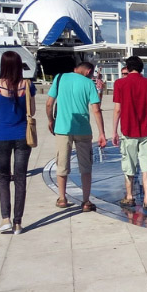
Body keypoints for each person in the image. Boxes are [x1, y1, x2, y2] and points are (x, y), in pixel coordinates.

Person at [0, 51, 35, 234]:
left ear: (3, 65)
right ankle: (18, 223)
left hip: (1, 135)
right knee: (20, 179)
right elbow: (32, 110)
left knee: (4, 177)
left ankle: (5, 219)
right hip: (22, 136)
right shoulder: (28, 85)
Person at [45, 61, 108, 212]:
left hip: (62, 128)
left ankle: (62, 198)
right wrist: (102, 133)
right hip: (83, 129)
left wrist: (50, 120)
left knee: (62, 163)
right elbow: (96, 110)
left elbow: (49, 104)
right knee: (85, 166)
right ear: (88, 72)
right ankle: (86, 201)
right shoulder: (88, 84)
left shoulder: (59, 78)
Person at [112, 56, 147, 211]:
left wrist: (114, 131)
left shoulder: (120, 84)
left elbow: (117, 109)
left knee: (129, 165)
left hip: (128, 130)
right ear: (141, 68)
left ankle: (130, 196)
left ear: (127, 67)